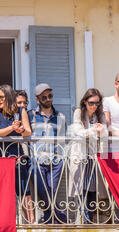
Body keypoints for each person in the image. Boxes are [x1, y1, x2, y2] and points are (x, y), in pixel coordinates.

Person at [0, 85, 34, 223]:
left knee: (23, 188)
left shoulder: (21, 111)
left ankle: (30, 222)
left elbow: (28, 132)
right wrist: (12, 128)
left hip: (16, 153)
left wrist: (21, 130)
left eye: (1, 97)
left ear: (9, 97)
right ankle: (0, 222)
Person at [28, 83, 67, 224]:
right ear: (38, 99)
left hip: (55, 160)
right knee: (44, 189)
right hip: (36, 160)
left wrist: (62, 158)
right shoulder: (30, 115)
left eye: (50, 95)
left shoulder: (60, 116)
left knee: (52, 191)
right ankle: (58, 214)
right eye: (44, 97)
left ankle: (48, 218)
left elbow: (63, 139)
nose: (48, 99)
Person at [68, 88, 109, 224]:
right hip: (80, 156)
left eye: (97, 103)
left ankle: (89, 219)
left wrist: (100, 130)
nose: (94, 106)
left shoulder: (100, 114)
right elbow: (79, 132)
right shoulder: (79, 112)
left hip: (93, 157)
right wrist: (94, 130)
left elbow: (105, 134)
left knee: (92, 189)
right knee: (81, 189)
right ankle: (82, 219)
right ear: (85, 102)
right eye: (91, 103)